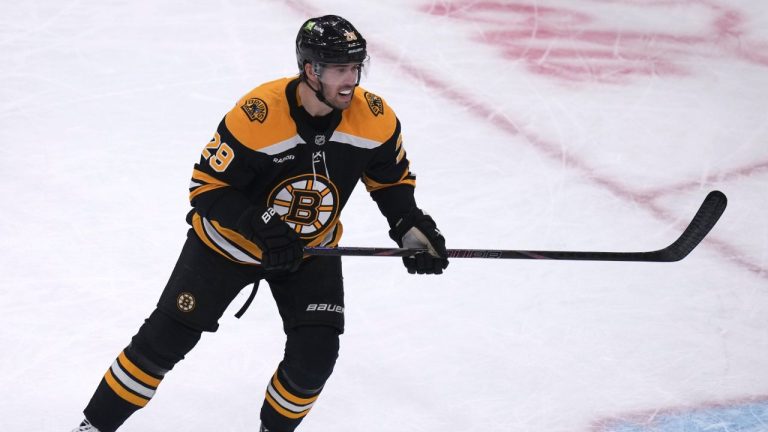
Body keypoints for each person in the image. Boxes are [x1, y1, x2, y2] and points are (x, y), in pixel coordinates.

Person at [70, 14, 449, 432]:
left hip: (309, 252)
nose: (351, 79)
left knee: (315, 357)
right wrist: (263, 226)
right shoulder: (259, 115)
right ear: (311, 69)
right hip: (225, 248)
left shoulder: (374, 118)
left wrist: (409, 225)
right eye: (341, 68)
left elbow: (390, 181)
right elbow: (207, 187)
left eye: (356, 67)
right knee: (163, 343)